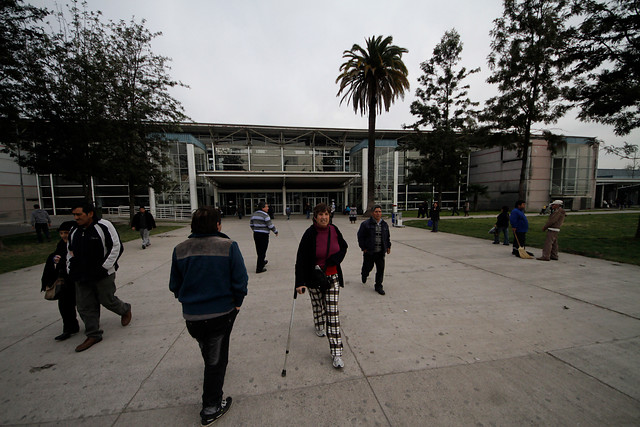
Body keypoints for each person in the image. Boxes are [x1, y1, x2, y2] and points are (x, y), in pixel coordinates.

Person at [169, 206, 248, 426]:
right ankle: (211, 407)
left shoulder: (180, 249)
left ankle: (212, 385)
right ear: (218, 225)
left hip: (192, 317)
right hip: (221, 314)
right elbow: (240, 280)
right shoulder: (228, 246)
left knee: (208, 349)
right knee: (215, 361)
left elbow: (174, 285)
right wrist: (238, 303)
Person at [67, 203, 132, 352]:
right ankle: (93, 334)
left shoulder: (104, 226)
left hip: (102, 274)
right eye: (74, 215)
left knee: (107, 299)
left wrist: (105, 267)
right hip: (81, 275)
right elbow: (69, 251)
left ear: (90, 213)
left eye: (79, 215)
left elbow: (116, 247)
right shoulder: (74, 230)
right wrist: (70, 268)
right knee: (84, 305)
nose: (76, 218)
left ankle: (124, 309)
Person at [294, 203, 348, 369]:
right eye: (321, 214)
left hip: (332, 277)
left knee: (332, 314)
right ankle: (318, 324)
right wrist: (299, 282)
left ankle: (337, 352)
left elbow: (344, 247)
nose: (324, 217)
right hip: (314, 278)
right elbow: (301, 258)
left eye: (327, 214)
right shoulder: (310, 234)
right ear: (315, 217)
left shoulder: (334, 230)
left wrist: (334, 260)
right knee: (318, 305)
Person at [41, 220, 79, 341]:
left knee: (84, 305)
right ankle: (69, 328)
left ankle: (92, 326)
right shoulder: (61, 244)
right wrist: (53, 258)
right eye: (61, 233)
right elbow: (55, 256)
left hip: (78, 280)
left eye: (66, 233)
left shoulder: (78, 243)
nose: (63, 235)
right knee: (64, 305)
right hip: (64, 280)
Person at [357, 204, 391, 295]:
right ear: (372, 213)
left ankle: (378, 286)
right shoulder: (365, 224)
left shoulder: (384, 224)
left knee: (380, 269)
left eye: (380, 211)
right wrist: (363, 247)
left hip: (380, 251)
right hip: (369, 251)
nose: (378, 213)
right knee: (368, 267)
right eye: (376, 212)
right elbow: (360, 236)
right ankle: (364, 274)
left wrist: (388, 246)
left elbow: (387, 237)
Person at [249, 201, 278, 273]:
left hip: (256, 234)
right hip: (263, 235)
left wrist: (255, 230)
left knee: (259, 250)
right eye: (266, 207)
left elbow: (251, 224)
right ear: (262, 208)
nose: (268, 208)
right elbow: (270, 225)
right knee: (263, 250)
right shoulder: (265, 215)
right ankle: (259, 268)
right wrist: (275, 231)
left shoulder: (254, 214)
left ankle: (262, 261)